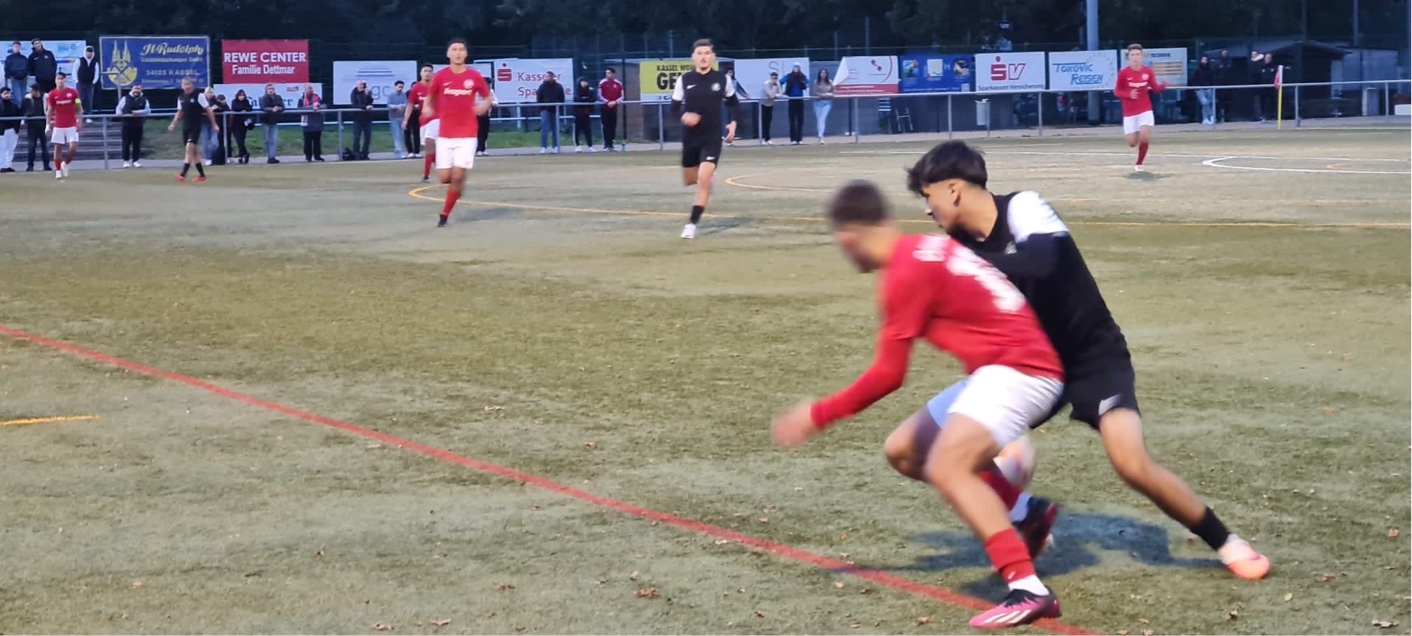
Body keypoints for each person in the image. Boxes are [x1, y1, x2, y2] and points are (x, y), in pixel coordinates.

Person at [912, 140, 1271, 583]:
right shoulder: (959, 245)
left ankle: (1227, 543)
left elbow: (1043, 264)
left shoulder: (1023, 208)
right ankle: (1025, 510)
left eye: (927, 196)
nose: (926, 210)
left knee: (1131, 463)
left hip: (1092, 357)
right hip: (1032, 368)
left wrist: (963, 262)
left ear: (952, 189)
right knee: (935, 449)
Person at [771, 179, 1067, 629]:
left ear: (848, 237)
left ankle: (1027, 588)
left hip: (1020, 370)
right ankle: (1026, 512)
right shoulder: (920, 251)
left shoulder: (904, 273)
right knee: (906, 450)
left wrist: (816, 415)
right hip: (1007, 366)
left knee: (949, 466)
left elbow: (888, 376)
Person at [671, 38, 738, 240]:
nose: (703, 57)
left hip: (712, 137)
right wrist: (684, 116)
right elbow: (673, 107)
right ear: (693, 57)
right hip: (691, 138)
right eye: (699, 53)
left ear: (713, 57)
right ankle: (707, 178)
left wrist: (733, 122)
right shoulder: (684, 80)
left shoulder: (722, 79)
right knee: (690, 179)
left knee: (703, 180)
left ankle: (691, 224)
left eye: (707, 53)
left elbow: (734, 102)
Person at [423, 38, 491, 228]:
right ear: (448, 54)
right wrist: (427, 107)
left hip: (467, 134)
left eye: (461, 49)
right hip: (445, 135)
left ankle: (444, 214)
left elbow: (487, 97)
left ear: (466, 54)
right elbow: (430, 96)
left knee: (458, 176)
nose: (458, 53)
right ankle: (457, 186)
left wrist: (484, 106)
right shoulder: (440, 76)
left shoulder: (474, 76)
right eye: (454, 49)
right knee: (445, 178)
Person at [1114, 44, 1166, 173]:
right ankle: (1136, 133)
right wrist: (1128, 94)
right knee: (1132, 143)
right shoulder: (1123, 73)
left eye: (1137, 54)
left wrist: (1163, 86)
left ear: (1142, 56)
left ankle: (1139, 164)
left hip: (1145, 109)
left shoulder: (1148, 71)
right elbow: (1117, 91)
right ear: (1128, 57)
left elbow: (1155, 89)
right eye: (1132, 55)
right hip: (1129, 112)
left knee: (1144, 137)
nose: (1135, 57)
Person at [167, 78, 217, 182]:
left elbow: (208, 110)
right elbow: (180, 112)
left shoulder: (199, 95)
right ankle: (202, 175)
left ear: (192, 85)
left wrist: (214, 124)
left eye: (188, 84)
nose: (187, 86)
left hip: (196, 126)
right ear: (182, 86)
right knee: (194, 152)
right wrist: (173, 123)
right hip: (186, 126)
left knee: (189, 148)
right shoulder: (181, 98)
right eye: (184, 84)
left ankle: (183, 174)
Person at [45, 71, 82, 179]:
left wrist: (79, 120)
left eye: (62, 79)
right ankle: (58, 170)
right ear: (55, 80)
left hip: (71, 124)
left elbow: (79, 107)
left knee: (73, 147)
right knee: (58, 148)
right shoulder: (52, 94)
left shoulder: (73, 92)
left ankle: (65, 163)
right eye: (58, 79)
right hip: (58, 125)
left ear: (65, 80)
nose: (60, 81)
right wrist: (47, 125)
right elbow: (50, 110)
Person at [406, 64, 437, 180]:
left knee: (429, 146)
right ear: (421, 73)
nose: (427, 73)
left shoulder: (437, 86)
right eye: (425, 71)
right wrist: (405, 119)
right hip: (423, 121)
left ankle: (426, 175)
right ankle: (445, 166)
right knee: (428, 149)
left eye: (429, 71)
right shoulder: (416, 88)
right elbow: (410, 105)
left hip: (436, 120)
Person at [115, 83, 151, 168]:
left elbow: (148, 111)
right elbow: (118, 107)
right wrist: (118, 113)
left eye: (138, 89)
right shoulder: (125, 98)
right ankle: (126, 161)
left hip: (138, 125)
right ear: (132, 89)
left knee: (137, 144)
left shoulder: (144, 100)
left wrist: (138, 112)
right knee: (126, 143)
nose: (137, 90)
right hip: (126, 125)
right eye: (135, 88)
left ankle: (136, 161)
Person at [22, 84, 50, 172]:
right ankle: (30, 165)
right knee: (31, 146)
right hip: (31, 126)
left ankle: (46, 165)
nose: (31, 92)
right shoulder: (27, 98)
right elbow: (23, 109)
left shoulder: (46, 97)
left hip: (43, 125)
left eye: (32, 90)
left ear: (37, 91)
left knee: (45, 146)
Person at [597, 67, 623, 151]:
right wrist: (607, 102)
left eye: (609, 73)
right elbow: (599, 95)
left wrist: (615, 102)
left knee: (613, 126)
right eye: (607, 73)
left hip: (614, 108)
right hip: (604, 108)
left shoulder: (618, 84)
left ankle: (611, 144)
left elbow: (622, 96)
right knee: (605, 126)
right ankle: (606, 144)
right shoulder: (602, 83)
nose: (608, 75)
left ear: (613, 74)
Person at [229, 89, 253, 164]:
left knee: (242, 140)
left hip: (243, 124)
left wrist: (245, 110)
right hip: (235, 124)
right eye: (240, 95)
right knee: (238, 141)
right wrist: (242, 110)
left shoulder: (246, 101)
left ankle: (240, 157)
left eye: (243, 95)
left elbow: (249, 108)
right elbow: (234, 108)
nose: (241, 97)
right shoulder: (234, 101)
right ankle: (245, 154)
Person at [572, 77, 595, 153]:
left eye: (585, 81)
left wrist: (585, 99)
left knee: (588, 130)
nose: (584, 83)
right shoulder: (577, 91)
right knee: (577, 130)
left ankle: (590, 146)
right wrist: (585, 99)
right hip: (578, 114)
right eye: (582, 81)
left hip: (586, 113)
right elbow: (577, 99)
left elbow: (593, 99)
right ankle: (577, 146)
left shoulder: (590, 90)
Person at [811, 68, 835, 144]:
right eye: (822, 73)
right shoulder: (816, 82)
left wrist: (828, 94)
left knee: (822, 119)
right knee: (819, 120)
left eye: (824, 73)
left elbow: (833, 92)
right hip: (818, 103)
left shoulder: (830, 82)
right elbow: (815, 92)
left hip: (827, 103)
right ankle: (820, 136)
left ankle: (821, 137)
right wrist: (822, 95)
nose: (823, 74)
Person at [387, 80, 408, 159]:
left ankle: (398, 152)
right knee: (396, 135)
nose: (400, 88)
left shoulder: (404, 95)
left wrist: (400, 106)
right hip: (394, 118)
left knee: (401, 135)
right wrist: (397, 107)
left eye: (402, 87)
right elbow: (389, 105)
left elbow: (406, 104)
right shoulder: (391, 95)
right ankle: (399, 152)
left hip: (402, 117)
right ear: (395, 87)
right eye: (399, 87)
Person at [0, 86, 18, 172]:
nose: (7, 95)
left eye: (8, 93)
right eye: (5, 93)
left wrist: (16, 129)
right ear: (1, 94)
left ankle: (8, 165)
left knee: (11, 148)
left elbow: (18, 117)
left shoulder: (14, 105)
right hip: (2, 131)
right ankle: (2, 166)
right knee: (2, 148)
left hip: (12, 130)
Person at [760, 71, 781, 145]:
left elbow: (780, 93)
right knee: (763, 122)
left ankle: (767, 138)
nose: (775, 80)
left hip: (770, 104)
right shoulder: (766, 84)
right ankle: (762, 139)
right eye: (773, 78)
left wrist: (776, 95)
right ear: (771, 78)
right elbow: (770, 94)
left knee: (768, 122)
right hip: (763, 104)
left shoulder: (778, 83)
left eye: (776, 78)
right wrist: (774, 88)